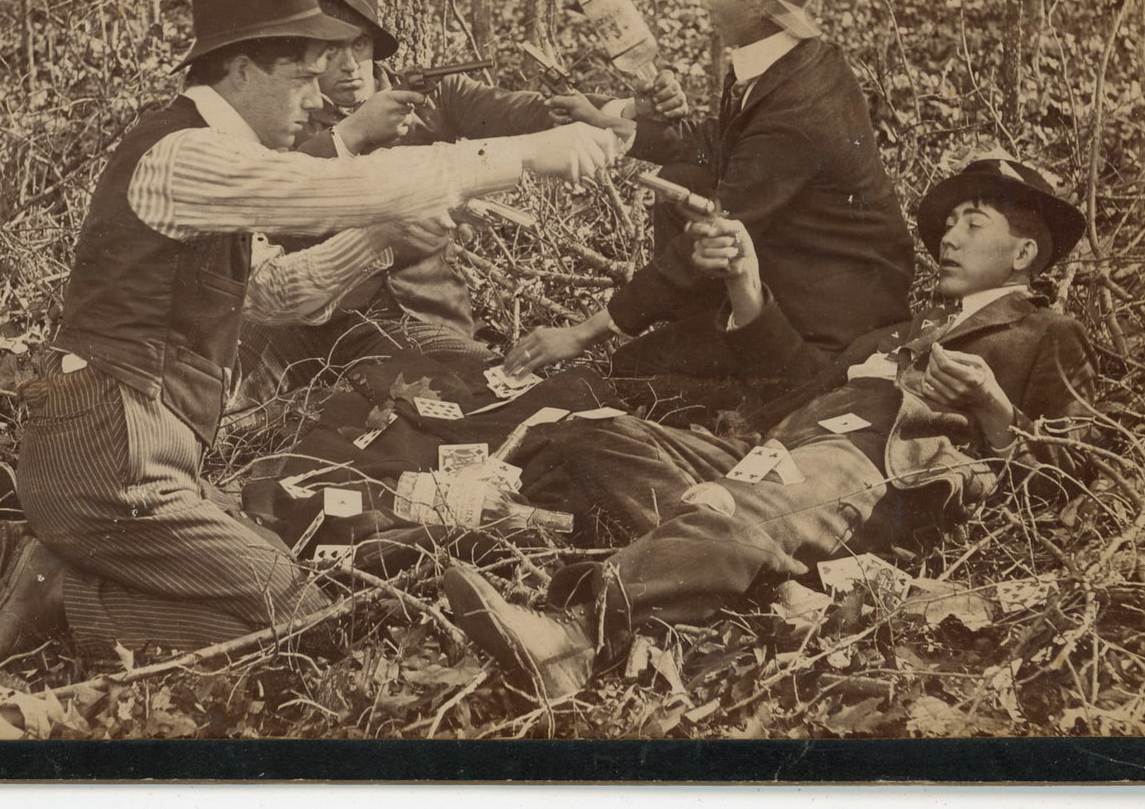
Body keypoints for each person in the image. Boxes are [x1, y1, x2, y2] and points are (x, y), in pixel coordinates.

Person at [0, 0, 624, 664]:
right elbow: (338, 187)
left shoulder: (212, 159)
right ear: (243, 69)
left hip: (138, 448)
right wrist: (525, 155)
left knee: (286, 571)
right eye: (304, 78)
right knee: (304, 621)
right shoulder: (184, 155)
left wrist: (383, 236)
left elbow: (279, 294)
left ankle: (65, 573)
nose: (317, 100)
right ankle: (58, 592)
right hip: (110, 453)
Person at [446, 156, 1096, 699]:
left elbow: (1071, 475)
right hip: (776, 448)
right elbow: (796, 382)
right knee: (594, 433)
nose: (949, 238)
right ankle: (765, 578)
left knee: (734, 508)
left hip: (872, 466)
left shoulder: (1045, 333)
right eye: (948, 223)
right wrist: (745, 281)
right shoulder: (902, 331)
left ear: (1024, 253)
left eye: (972, 224)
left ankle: (573, 639)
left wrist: (990, 403)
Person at [504, 0, 915, 391]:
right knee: (682, 182)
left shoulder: (801, 109)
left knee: (627, 381)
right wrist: (611, 120)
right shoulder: (780, 61)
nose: (704, 1)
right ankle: (697, 324)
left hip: (832, 322)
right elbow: (720, 147)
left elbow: (718, 227)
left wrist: (584, 332)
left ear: (759, 4)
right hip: (797, 268)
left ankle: (729, 360)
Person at [232, 0, 566, 412]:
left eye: (360, 45)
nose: (350, 66)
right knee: (221, 393)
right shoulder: (283, 119)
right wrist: (348, 137)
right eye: (331, 49)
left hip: (415, 319)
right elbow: (264, 209)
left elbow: (532, 112)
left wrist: (626, 112)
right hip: (306, 324)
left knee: (482, 393)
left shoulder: (433, 100)